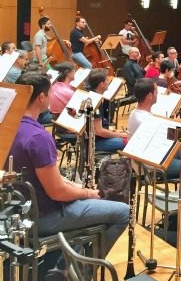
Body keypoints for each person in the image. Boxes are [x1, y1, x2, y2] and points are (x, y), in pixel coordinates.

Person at [7, 72, 128, 279]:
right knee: (123, 212)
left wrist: (69, 183)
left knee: (78, 196)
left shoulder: (9, 127)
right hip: (44, 217)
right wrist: (87, 193)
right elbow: (58, 193)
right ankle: (82, 273)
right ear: (41, 98)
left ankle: (63, 263)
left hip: (17, 212)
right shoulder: (38, 137)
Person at [127, 78, 181, 181]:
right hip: (152, 165)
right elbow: (176, 137)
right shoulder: (146, 120)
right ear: (149, 96)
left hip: (155, 154)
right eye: (156, 91)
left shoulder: (135, 113)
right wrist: (177, 124)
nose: (158, 94)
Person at [86, 69, 128, 153]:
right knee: (128, 142)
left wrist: (113, 132)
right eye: (107, 80)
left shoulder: (91, 95)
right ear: (101, 84)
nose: (109, 82)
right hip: (96, 142)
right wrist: (120, 135)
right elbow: (99, 131)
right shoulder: (94, 102)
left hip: (95, 139)